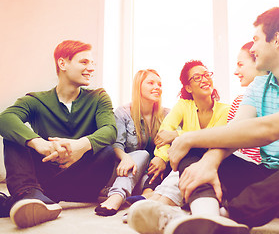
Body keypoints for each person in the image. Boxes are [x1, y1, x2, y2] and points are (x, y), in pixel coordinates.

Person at [126, 6, 279, 234]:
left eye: (255, 39)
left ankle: (231, 215)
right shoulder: (258, 86)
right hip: (270, 183)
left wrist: (187, 136)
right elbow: (236, 131)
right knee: (195, 149)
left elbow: (271, 129)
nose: (253, 47)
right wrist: (208, 159)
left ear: (276, 39)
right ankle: (207, 219)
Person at [0, 40, 117, 228]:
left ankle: (27, 198)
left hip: (80, 183)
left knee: (107, 151)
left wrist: (80, 146)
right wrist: (39, 143)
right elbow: (4, 118)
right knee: (13, 136)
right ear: (62, 64)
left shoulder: (98, 97)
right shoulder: (36, 100)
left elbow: (110, 130)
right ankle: (30, 195)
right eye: (84, 62)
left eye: (92, 63)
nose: (91, 68)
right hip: (44, 173)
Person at [127, 60, 230, 208]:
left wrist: (178, 135)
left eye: (206, 75)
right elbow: (163, 133)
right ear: (188, 87)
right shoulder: (183, 105)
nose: (205, 79)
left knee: (186, 151)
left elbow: (215, 139)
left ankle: (159, 199)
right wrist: (161, 158)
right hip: (184, 159)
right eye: (197, 77)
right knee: (171, 155)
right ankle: (150, 193)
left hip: (209, 161)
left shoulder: (225, 110)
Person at [94, 69, 170, 216]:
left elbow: (176, 142)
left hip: (148, 176)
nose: (157, 87)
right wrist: (126, 157)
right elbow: (116, 145)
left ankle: (144, 196)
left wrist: (162, 158)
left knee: (160, 170)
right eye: (151, 83)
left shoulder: (167, 114)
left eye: (159, 84)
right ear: (138, 86)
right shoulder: (123, 113)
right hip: (124, 171)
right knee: (142, 154)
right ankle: (116, 195)